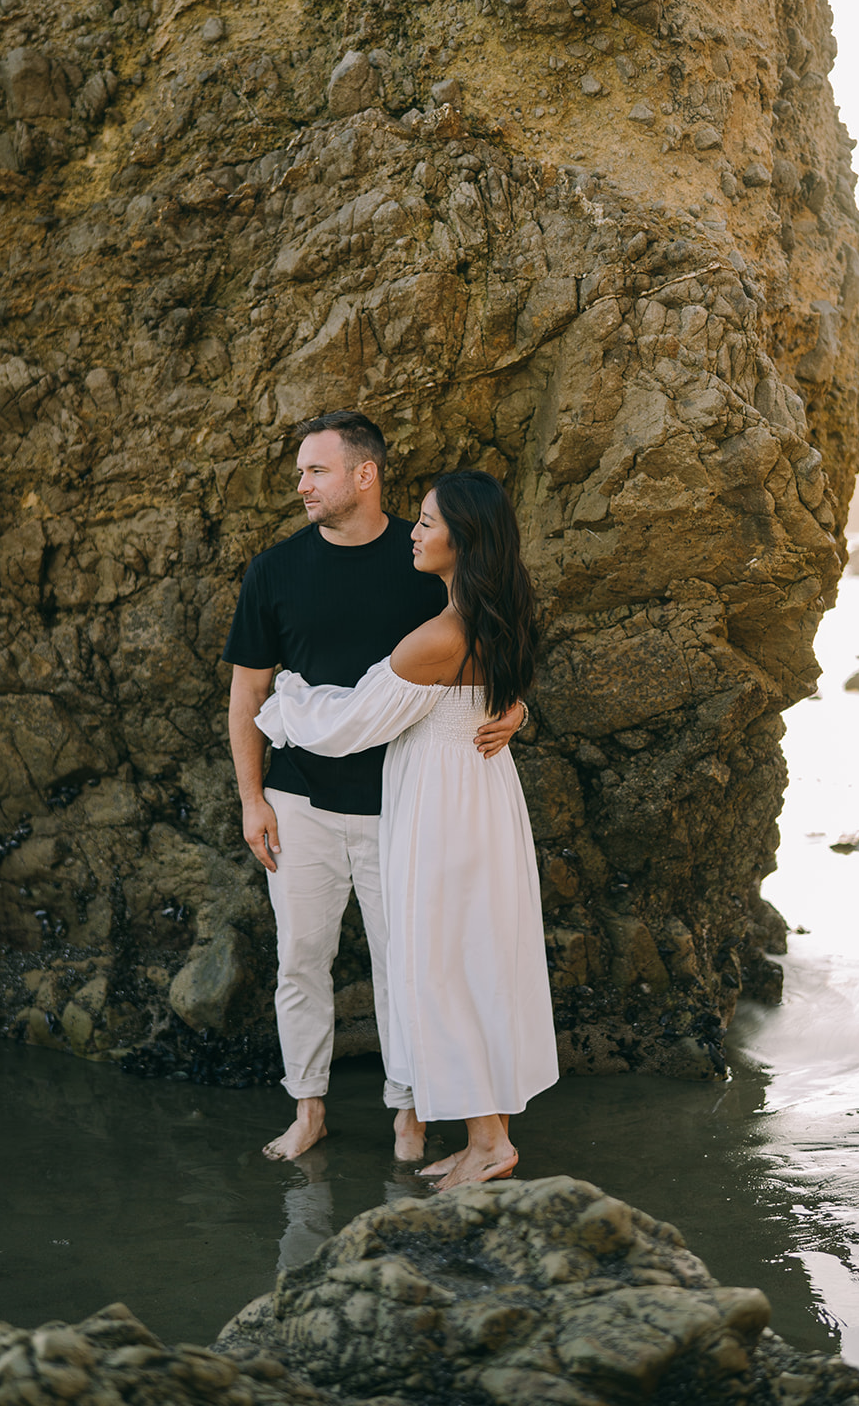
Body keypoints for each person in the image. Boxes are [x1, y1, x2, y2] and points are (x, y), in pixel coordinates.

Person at [223, 412, 524, 1162]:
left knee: (409, 964)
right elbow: (243, 692)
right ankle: (308, 1108)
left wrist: (515, 707)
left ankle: (410, 1114)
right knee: (300, 957)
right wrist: (251, 797)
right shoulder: (273, 571)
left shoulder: (424, 557)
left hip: (406, 805)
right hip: (298, 802)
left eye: (315, 471)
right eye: (302, 472)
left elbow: (482, 645)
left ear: (365, 474)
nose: (301, 485)